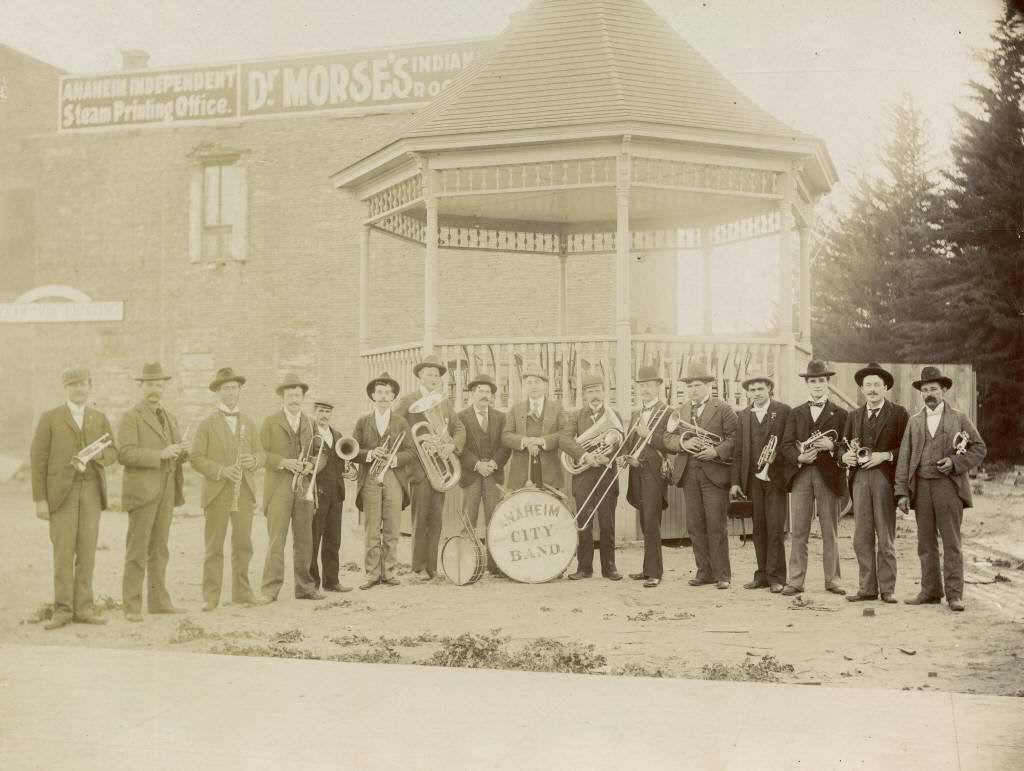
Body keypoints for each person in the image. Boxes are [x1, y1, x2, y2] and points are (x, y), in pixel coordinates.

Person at [30, 367, 119, 629]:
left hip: (91, 491)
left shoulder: (98, 417)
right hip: (61, 495)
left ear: (90, 386)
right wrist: (40, 499)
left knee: (87, 552)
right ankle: (63, 610)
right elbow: (38, 460)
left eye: (82, 384)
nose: (78, 389)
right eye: (73, 385)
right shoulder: (50, 417)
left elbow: (113, 451)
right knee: (63, 553)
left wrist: (97, 456)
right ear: (65, 388)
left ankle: (84, 608)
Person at [895, 366, 986, 612]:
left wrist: (955, 463)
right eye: (925, 390)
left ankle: (955, 595)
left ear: (944, 390)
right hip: (922, 487)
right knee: (925, 543)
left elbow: (979, 448)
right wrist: (902, 492)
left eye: (933, 389)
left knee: (951, 542)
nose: (929, 394)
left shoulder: (959, 418)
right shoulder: (914, 422)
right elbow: (904, 458)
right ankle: (930, 591)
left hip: (949, 487)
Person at [118, 362, 191, 621]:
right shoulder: (131, 416)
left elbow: (176, 454)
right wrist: (160, 454)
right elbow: (124, 453)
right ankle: (131, 605)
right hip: (142, 493)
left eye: (158, 385)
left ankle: (158, 601)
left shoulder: (170, 417)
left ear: (163, 387)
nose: (154, 389)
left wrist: (183, 451)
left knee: (160, 549)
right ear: (141, 386)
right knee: (137, 549)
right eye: (149, 385)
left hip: (167, 492)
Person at [189, 367, 264, 612]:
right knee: (214, 546)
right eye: (225, 388)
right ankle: (211, 596)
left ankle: (242, 592)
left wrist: (254, 460)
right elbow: (196, 458)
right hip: (217, 493)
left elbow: (260, 453)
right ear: (218, 393)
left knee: (243, 545)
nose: (230, 392)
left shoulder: (250, 423)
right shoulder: (206, 424)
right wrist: (221, 471)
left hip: (243, 492)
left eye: (234, 387)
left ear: (240, 390)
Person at [663, 361, 738, 590]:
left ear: (708, 386)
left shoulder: (723, 408)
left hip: (713, 473)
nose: (693, 389)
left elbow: (734, 438)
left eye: (698, 385)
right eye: (690, 386)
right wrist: (685, 443)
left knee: (716, 525)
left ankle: (722, 574)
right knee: (695, 525)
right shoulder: (681, 411)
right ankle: (704, 572)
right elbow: (668, 438)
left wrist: (715, 450)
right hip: (689, 474)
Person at [841, 363, 909, 604]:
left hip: (884, 479)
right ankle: (867, 588)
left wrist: (885, 455)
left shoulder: (899, 414)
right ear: (861, 389)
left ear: (885, 387)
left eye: (876, 385)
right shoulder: (853, 416)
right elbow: (843, 444)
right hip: (859, 479)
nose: (872, 389)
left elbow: (908, 448)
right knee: (862, 536)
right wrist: (844, 456)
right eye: (867, 385)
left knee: (885, 535)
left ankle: (888, 589)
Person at [779, 360, 848, 597]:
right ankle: (796, 581)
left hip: (829, 475)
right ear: (806, 384)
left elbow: (846, 447)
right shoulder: (795, 413)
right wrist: (800, 458)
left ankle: (833, 580)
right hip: (801, 475)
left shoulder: (841, 414)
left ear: (828, 383)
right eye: (813, 381)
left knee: (830, 530)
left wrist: (832, 446)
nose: (817, 385)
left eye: (821, 380)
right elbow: (786, 445)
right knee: (799, 530)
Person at [394, 354, 465, 580]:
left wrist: (449, 447)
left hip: (441, 468)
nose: (434, 377)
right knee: (420, 518)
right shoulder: (408, 400)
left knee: (436, 518)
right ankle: (418, 567)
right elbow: (395, 426)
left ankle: (432, 567)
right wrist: (418, 445)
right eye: (429, 374)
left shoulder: (443, 402)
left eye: (437, 375)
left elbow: (459, 428)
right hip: (420, 467)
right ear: (420, 376)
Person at [259, 373, 323, 603]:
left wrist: (311, 465)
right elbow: (260, 454)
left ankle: (305, 588)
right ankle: (269, 590)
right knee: (277, 539)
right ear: (282, 398)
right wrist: (284, 462)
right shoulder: (270, 421)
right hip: (279, 487)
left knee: (305, 540)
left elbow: (319, 453)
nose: (294, 399)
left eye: (297, 395)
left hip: (304, 486)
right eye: (290, 395)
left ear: (303, 397)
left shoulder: (310, 422)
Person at [352, 372, 416, 590]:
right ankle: (371, 574)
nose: (384, 396)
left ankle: (388, 572)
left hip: (394, 477)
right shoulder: (362, 421)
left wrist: (394, 458)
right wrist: (370, 454)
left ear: (393, 397)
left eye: (388, 393)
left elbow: (411, 451)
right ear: (372, 395)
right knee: (371, 529)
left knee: (392, 528)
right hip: (370, 476)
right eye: (379, 392)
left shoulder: (400, 421)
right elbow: (352, 450)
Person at [729, 374, 791, 593]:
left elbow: (790, 443)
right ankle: (762, 575)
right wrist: (735, 482)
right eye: (753, 390)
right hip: (752, 480)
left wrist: (778, 456)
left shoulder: (783, 411)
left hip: (774, 478)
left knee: (774, 528)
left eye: (760, 389)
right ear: (748, 393)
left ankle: (777, 577)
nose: (756, 393)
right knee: (758, 528)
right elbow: (737, 452)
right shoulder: (744, 415)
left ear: (769, 390)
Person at [559, 374, 624, 581]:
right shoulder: (576, 416)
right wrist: (586, 455)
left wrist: (605, 457)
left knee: (607, 523)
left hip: (606, 475)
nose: (594, 395)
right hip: (584, 477)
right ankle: (584, 567)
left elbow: (621, 444)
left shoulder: (615, 415)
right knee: (584, 522)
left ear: (604, 392)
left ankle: (609, 567)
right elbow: (564, 440)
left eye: (597, 391)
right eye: (589, 392)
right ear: (584, 395)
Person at [457, 373, 511, 576]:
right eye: (480, 391)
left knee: (494, 519)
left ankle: (495, 565)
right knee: (468, 521)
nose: (484, 395)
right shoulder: (461, 417)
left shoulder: (500, 417)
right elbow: (459, 448)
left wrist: (495, 463)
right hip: (471, 476)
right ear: (472, 394)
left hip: (493, 476)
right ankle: (467, 565)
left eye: (488, 392)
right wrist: (476, 464)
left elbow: (505, 446)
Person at [622, 366, 671, 588]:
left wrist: (648, 435)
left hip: (654, 472)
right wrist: (626, 456)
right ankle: (646, 569)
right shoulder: (635, 414)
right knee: (644, 521)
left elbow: (670, 442)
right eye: (642, 386)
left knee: (651, 522)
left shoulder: (667, 412)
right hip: (637, 471)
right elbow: (631, 443)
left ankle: (655, 573)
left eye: (649, 386)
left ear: (658, 387)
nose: (645, 390)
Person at [308, 397, 351, 593]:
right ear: (314, 412)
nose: (324, 416)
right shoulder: (309, 433)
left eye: (327, 412)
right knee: (314, 538)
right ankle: (312, 583)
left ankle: (331, 581)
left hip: (336, 493)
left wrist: (348, 470)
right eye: (320, 411)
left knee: (334, 538)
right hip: (317, 492)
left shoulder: (338, 434)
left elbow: (342, 461)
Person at [502, 366, 565, 491]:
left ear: (545, 385)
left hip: (549, 472)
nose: (533, 386)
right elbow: (506, 435)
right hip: (521, 472)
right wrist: (525, 441)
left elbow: (564, 434)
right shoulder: (516, 409)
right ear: (525, 386)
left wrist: (541, 441)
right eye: (529, 383)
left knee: (547, 506)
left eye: (537, 382)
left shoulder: (557, 408)